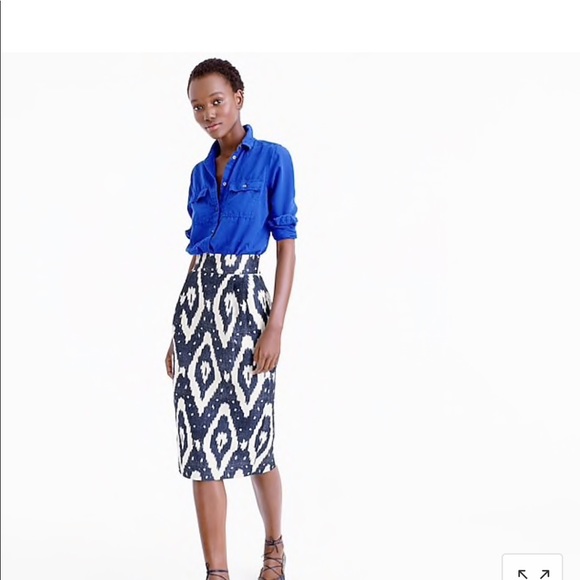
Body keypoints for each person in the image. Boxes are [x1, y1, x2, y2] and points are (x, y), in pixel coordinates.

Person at [164, 58, 297, 580]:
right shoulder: (199, 174)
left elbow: (286, 245)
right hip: (196, 311)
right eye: (198, 107)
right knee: (200, 446)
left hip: (247, 307)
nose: (208, 114)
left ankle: (274, 548)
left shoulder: (273, 159)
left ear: (239, 97)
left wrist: (275, 326)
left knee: (256, 440)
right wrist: (176, 333)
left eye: (216, 101)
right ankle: (216, 573)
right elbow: (196, 256)